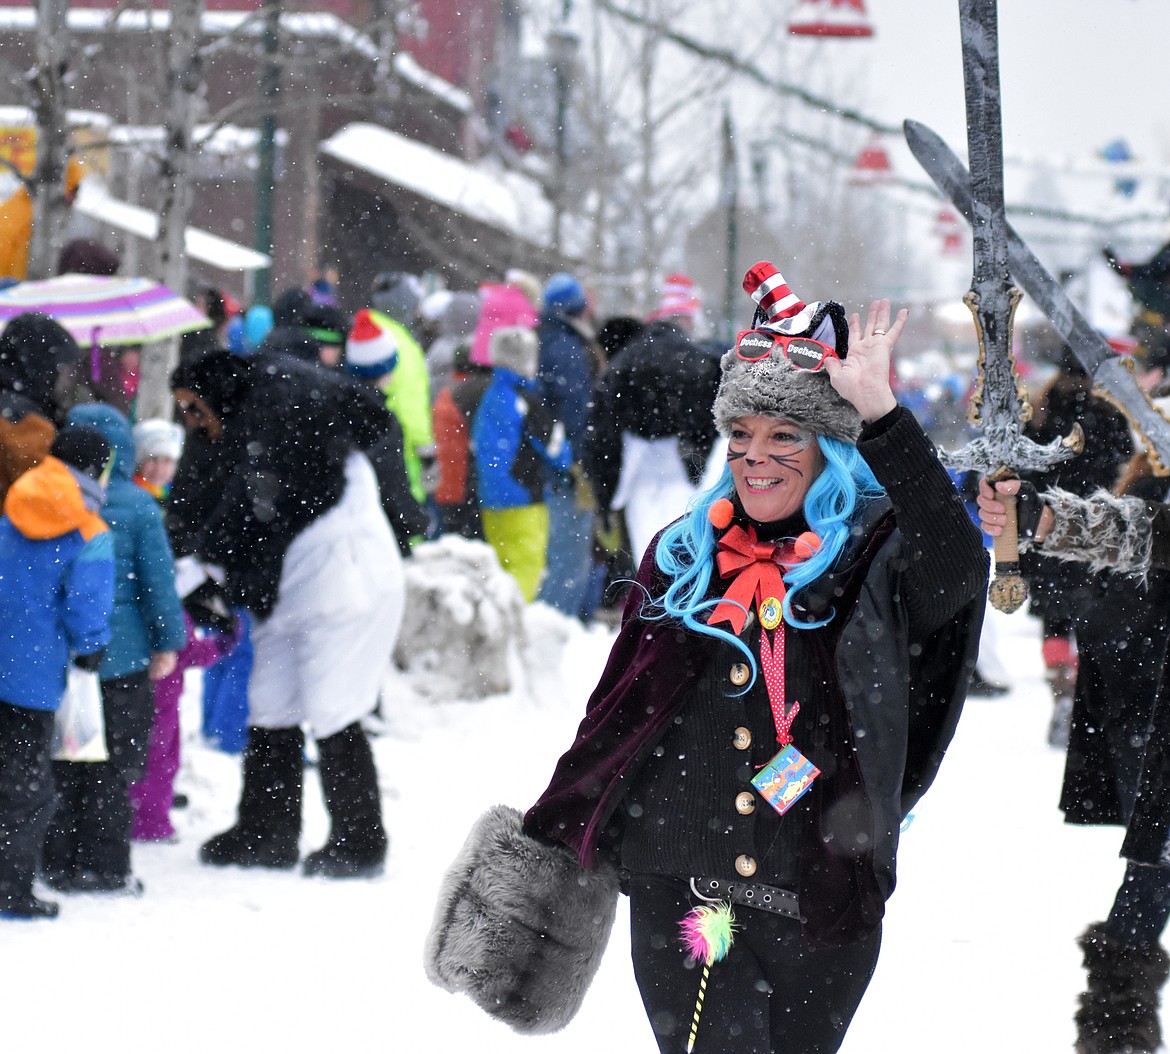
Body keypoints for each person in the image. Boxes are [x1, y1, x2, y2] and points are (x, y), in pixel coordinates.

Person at [427, 264, 989, 1054]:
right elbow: (618, 707)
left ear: (830, 444)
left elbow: (957, 568)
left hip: (821, 888)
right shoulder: (682, 552)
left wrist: (885, 419)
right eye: (742, 435)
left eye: (785, 434)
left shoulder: (874, 552)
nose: (757, 456)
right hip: (683, 886)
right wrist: (565, 826)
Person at [175, 348, 405, 879]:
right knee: (269, 702)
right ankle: (265, 831)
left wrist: (210, 563)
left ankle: (359, 839)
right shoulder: (243, 438)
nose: (190, 422)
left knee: (333, 705)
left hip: (345, 588)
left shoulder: (289, 437)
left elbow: (257, 515)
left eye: (193, 408)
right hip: (290, 594)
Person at [978, 469, 1170, 1054]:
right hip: (1139, 678)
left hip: (1134, 675)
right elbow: (1142, 530)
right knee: (1155, 869)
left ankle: (1118, 1022)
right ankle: (1116, 1026)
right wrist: (1045, 519)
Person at [41, 403, 185, 895]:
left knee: (63, 755)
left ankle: (56, 859)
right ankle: (105, 865)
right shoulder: (141, 506)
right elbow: (158, 583)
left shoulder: (50, 500)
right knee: (113, 765)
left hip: (66, 655)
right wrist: (167, 642)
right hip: (123, 660)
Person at [0, 425, 114, 919]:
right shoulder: (89, 529)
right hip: (32, 676)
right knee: (25, 788)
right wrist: (91, 649)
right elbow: (86, 610)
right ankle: (11, 888)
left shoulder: (12, 503)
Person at [588, 273, 722, 568]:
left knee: (649, 559)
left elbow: (600, 437)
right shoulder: (702, 359)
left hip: (639, 474)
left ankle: (654, 608)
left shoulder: (622, 367)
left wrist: (605, 499)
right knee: (689, 555)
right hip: (693, 472)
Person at [472, 325, 572, 602]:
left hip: (490, 498)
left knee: (501, 565)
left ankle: (495, 623)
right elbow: (556, 450)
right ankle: (515, 625)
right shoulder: (526, 400)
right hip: (524, 497)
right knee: (527, 566)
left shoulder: (491, 395)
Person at [536, 271, 606, 621]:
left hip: (545, 466)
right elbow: (576, 411)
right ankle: (555, 628)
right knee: (568, 556)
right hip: (566, 467)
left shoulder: (543, 340)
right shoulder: (568, 350)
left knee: (554, 554)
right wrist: (584, 462)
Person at [0, 312, 81, 504]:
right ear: (41, 365)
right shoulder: (22, 419)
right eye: (60, 367)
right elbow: (45, 495)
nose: (65, 377)